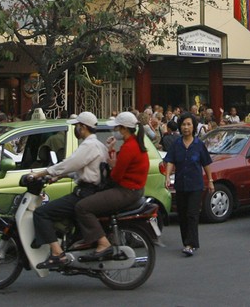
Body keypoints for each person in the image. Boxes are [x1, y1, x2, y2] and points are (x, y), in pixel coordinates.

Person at [31, 112, 108, 269]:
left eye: (77, 126)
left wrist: (42, 173)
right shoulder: (99, 145)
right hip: (91, 190)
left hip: (85, 193)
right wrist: (59, 177)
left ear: (83, 127)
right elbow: (83, 169)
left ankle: (57, 253)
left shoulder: (89, 145)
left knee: (41, 213)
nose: (75, 129)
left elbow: (69, 163)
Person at [74, 111, 150, 260]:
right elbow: (118, 165)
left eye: (116, 128)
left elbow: (116, 175)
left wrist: (111, 165)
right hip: (132, 190)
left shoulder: (130, 147)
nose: (115, 131)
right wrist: (111, 151)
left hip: (126, 191)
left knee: (82, 207)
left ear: (124, 129)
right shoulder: (132, 144)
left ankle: (102, 243)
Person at [163, 112, 213, 256]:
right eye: (184, 124)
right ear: (180, 127)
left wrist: (210, 181)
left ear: (193, 127)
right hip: (180, 185)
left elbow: (206, 163)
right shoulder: (176, 144)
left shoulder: (199, 144)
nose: (186, 127)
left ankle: (191, 244)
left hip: (195, 185)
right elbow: (170, 161)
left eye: (189, 124)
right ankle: (186, 242)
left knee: (192, 214)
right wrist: (167, 177)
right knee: (183, 215)